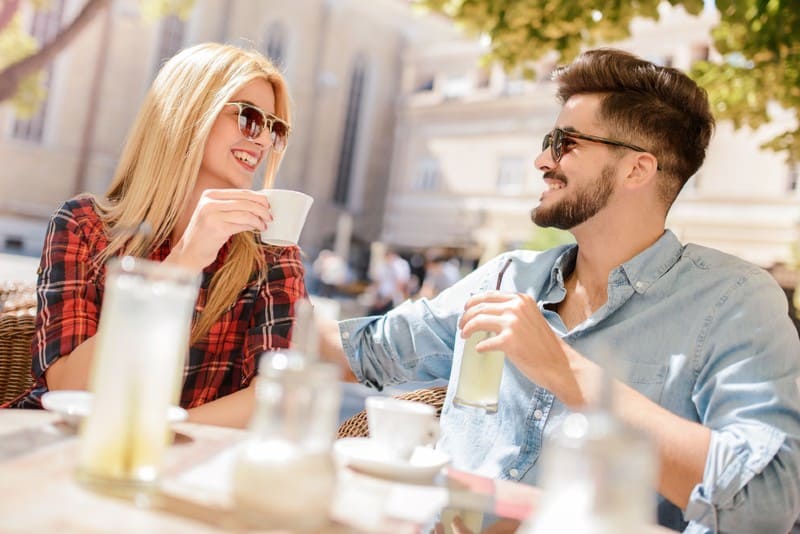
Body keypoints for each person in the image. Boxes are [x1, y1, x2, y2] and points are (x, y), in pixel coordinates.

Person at [321, 49, 800, 532]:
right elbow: (364, 353)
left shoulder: (735, 301)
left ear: (637, 169)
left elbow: (765, 503)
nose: (541, 160)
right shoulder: (505, 276)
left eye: (564, 143)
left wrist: (568, 372)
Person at [6, 43, 306, 428]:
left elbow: (279, 396)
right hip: (59, 444)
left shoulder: (272, 254)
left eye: (274, 129)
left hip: (182, 454)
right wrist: (183, 264)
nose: (263, 140)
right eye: (250, 118)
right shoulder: (84, 225)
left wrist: (159, 437)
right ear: (191, 112)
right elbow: (69, 387)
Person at [367, 249, 411, 315]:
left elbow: (400, 285)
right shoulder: (384, 265)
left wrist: (384, 301)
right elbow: (378, 282)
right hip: (382, 298)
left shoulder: (400, 265)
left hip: (393, 299)